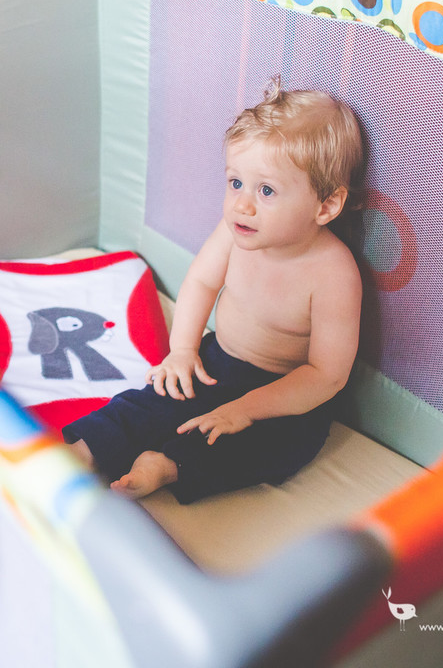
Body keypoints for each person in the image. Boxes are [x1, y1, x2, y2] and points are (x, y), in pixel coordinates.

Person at [64, 79, 366, 505]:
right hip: (217, 361)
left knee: (278, 445)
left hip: (285, 391)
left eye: (266, 190)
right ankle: (87, 450)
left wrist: (246, 409)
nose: (242, 204)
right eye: (235, 182)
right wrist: (183, 350)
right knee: (158, 398)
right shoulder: (234, 232)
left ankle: (167, 465)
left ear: (326, 206)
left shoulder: (333, 273)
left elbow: (326, 375)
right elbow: (202, 282)